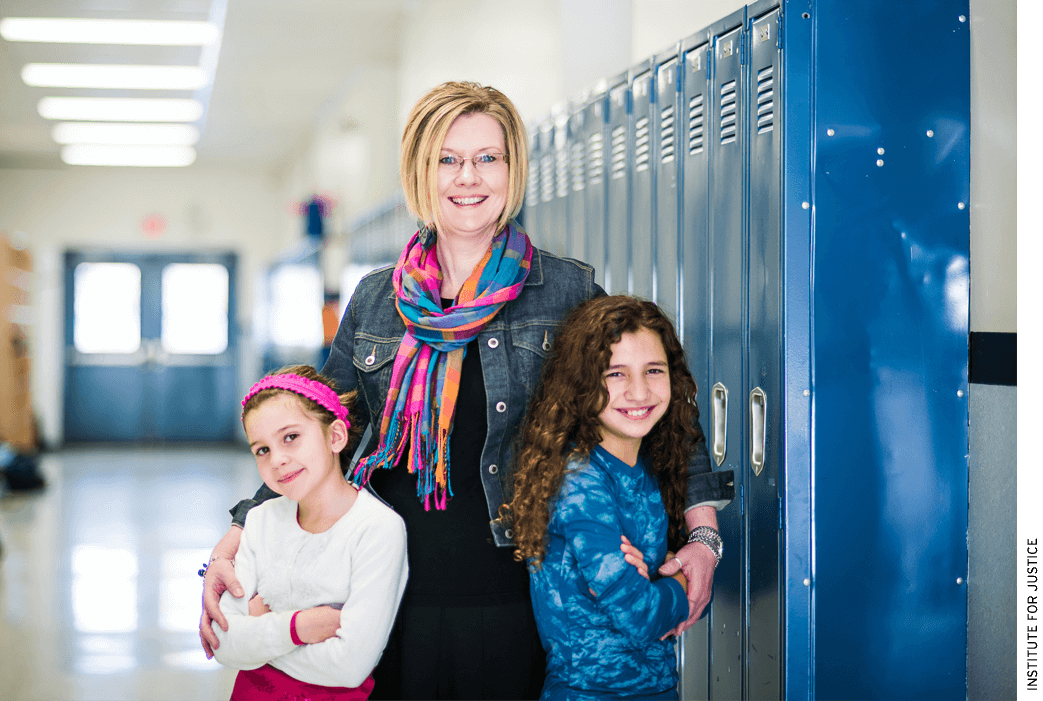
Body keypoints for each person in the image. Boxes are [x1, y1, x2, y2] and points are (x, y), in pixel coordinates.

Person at [201, 81, 732, 699]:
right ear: (420, 173)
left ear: (513, 170)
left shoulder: (563, 291)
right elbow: (312, 431)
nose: (468, 178)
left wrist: (702, 537)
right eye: (447, 159)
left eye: (488, 158)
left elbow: (661, 412)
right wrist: (240, 535)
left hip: (513, 586)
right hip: (386, 582)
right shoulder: (376, 299)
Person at [504, 296, 715, 700]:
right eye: (616, 374)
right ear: (582, 382)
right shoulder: (580, 482)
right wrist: (681, 581)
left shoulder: (648, 465)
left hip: (656, 689)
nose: (639, 392)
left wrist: (653, 582)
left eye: (654, 370)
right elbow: (640, 615)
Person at [210, 365, 408, 700]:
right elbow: (223, 643)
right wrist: (300, 627)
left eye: (291, 437)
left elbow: (350, 666)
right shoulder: (261, 520)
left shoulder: (377, 529)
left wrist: (257, 638)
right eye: (262, 449)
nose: (277, 460)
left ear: (335, 436)